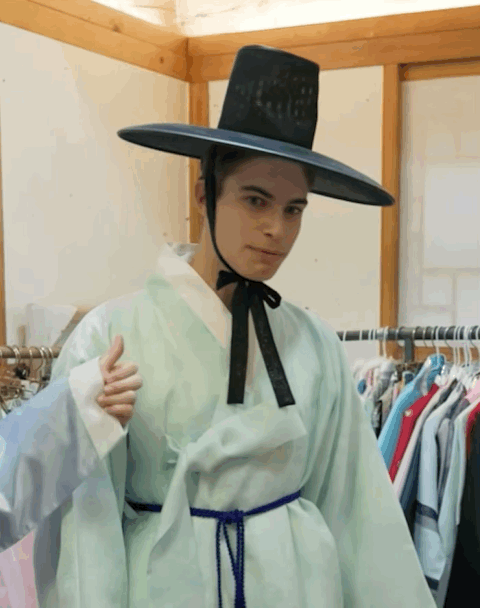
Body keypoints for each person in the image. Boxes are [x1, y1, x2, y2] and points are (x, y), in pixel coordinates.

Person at [3, 45, 436, 607]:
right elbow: (88, 537)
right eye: (255, 200)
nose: (276, 229)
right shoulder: (110, 338)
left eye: (294, 209)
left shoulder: (316, 346)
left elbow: (360, 519)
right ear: (205, 194)